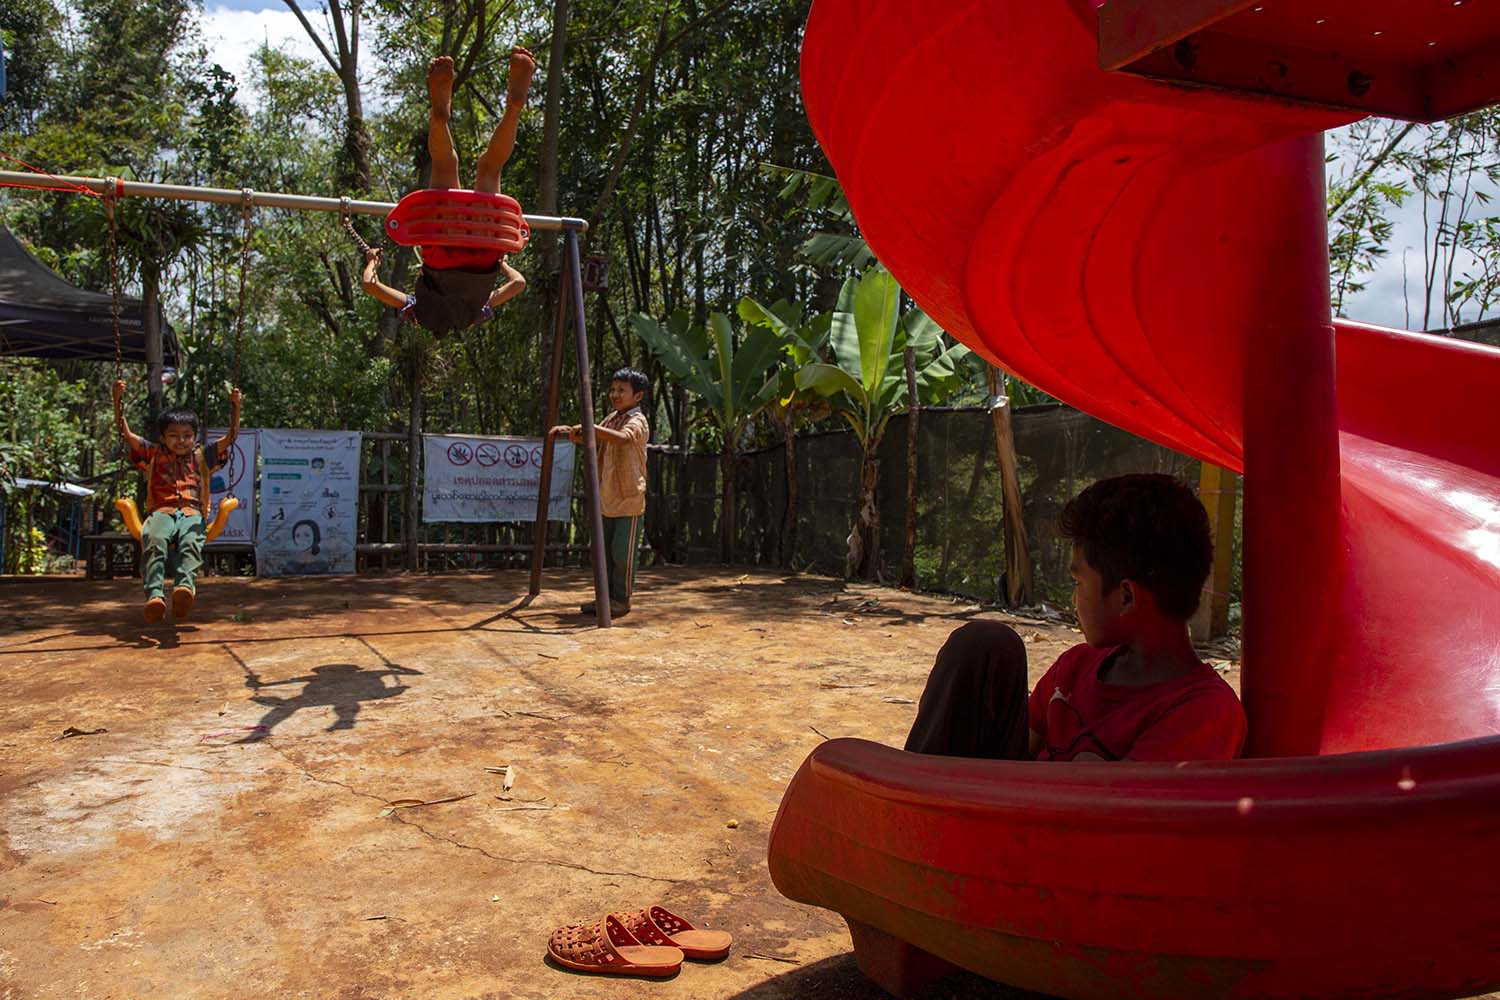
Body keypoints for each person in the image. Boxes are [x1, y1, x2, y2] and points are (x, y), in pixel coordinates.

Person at [905, 473, 1246, 762]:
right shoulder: (1075, 668)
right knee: (984, 645)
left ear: (1126, 596)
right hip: (1003, 812)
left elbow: (1129, 826)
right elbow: (1018, 749)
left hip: (1061, 835)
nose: (1074, 600)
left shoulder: (1202, 712)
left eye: (1078, 583)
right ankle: (912, 808)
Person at [360, 46, 534, 336]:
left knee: (490, 167)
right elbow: (370, 285)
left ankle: (514, 108)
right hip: (441, 246)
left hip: (486, 248)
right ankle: (439, 116)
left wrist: (501, 264)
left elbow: (518, 284)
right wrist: (371, 263)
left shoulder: (477, 313)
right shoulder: (414, 311)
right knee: (444, 162)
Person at [113, 379, 242, 623]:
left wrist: (236, 407)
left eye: (186, 436)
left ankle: (184, 589)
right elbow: (124, 432)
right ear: (162, 437)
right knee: (153, 540)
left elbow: (232, 436)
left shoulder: (203, 455)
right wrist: (117, 399)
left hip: (192, 512)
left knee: (191, 541)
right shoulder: (153, 454)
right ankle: (155, 596)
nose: (180, 441)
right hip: (162, 511)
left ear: (194, 437)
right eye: (173, 435)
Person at [551, 368, 650, 618]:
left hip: (628, 496)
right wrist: (576, 433)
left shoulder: (637, 420)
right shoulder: (612, 417)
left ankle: (621, 599)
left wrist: (591, 428)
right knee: (602, 551)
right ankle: (604, 598)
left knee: (621, 553)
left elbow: (624, 439)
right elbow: (598, 437)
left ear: (637, 396)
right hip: (606, 495)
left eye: (622, 390)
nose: (615, 394)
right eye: (613, 389)